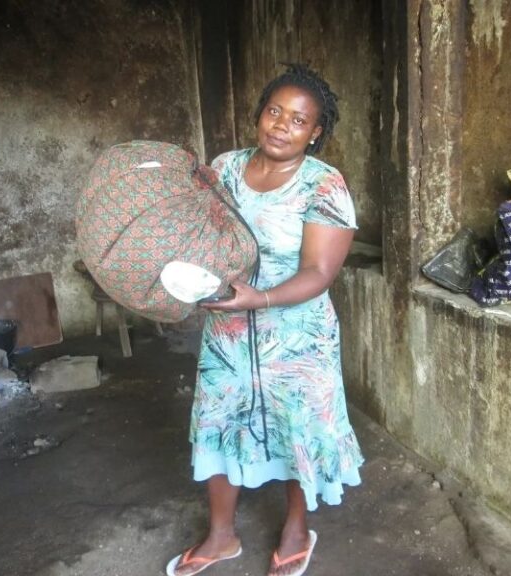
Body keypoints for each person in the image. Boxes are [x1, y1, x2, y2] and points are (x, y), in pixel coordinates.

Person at [167, 63, 364, 576]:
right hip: (227, 335)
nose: (282, 125)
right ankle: (221, 535)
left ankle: (297, 527)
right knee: (218, 423)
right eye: (275, 111)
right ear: (260, 114)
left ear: (315, 132)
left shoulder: (325, 186)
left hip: (297, 339)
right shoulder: (225, 169)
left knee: (297, 429)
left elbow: (319, 272)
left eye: (299, 120)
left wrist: (261, 299)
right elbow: (201, 236)